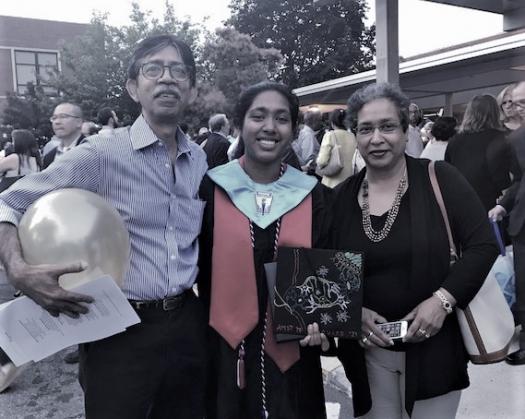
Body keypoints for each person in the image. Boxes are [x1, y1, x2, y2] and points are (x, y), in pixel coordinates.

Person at [0, 34, 208, 419]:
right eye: (153, 69)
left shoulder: (199, 160)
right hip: (118, 332)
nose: (167, 78)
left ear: (192, 90)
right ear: (133, 87)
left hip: (187, 325)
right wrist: (18, 268)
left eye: (179, 70)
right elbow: (8, 203)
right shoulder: (101, 154)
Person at [331, 83, 498, 418]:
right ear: (356, 136)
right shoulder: (340, 198)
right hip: (368, 353)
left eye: (388, 126)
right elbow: (329, 268)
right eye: (365, 129)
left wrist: (442, 300)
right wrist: (353, 312)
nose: (376, 138)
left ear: (406, 132)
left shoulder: (440, 178)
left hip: (434, 350)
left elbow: (483, 245)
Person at [198, 81, 330, 419]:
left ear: (294, 129)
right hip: (226, 348)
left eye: (281, 118)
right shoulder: (211, 188)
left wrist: (323, 321)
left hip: (295, 352)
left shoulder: (312, 195)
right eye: (258, 116)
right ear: (239, 124)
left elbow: (325, 273)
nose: (270, 127)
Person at [489, 80, 525, 365]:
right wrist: (503, 204)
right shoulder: (515, 139)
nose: (518, 108)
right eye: (515, 102)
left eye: (523, 102)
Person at [445, 94, 519, 211]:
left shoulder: (455, 141)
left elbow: (448, 172)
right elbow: (502, 176)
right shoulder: (500, 138)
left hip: (460, 205)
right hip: (491, 205)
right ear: (495, 112)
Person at [316, 108, 357, 188]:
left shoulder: (330, 135)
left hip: (331, 183)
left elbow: (322, 161)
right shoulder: (352, 136)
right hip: (349, 182)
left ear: (332, 122)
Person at [43, 103, 84, 169]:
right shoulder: (49, 157)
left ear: (79, 122)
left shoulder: (91, 151)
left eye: (63, 117)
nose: (57, 122)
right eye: (54, 118)